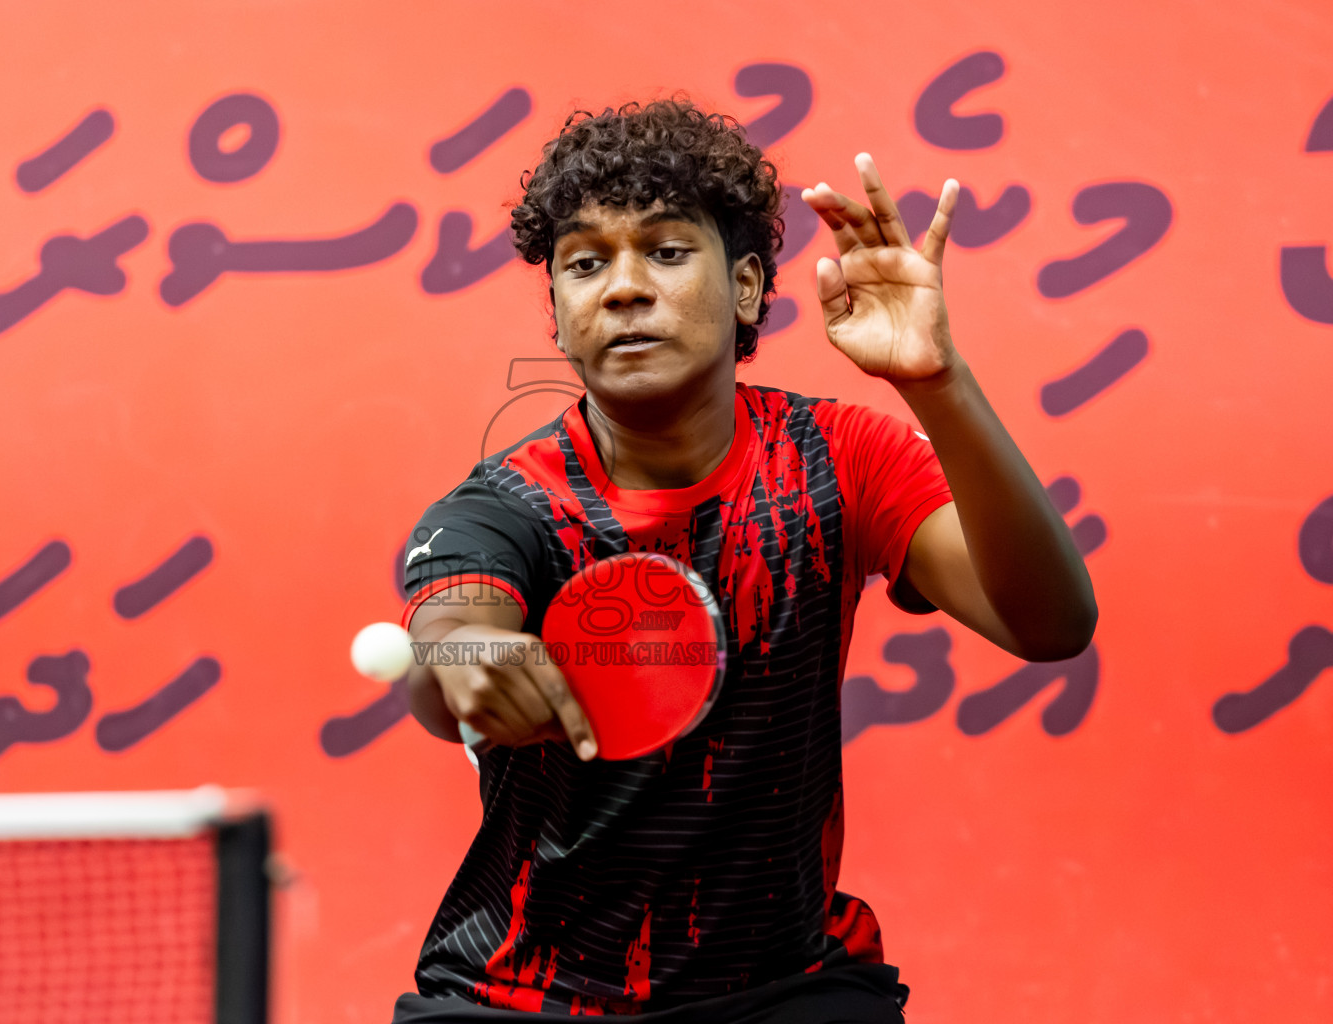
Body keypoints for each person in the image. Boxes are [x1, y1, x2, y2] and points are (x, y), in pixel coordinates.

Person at [392, 99, 1096, 1022]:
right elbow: (445, 640)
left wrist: (938, 383)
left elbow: (1049, 624)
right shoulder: (504, 506)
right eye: (585, 263)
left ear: (751, 287)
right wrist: (466, 657)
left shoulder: (841, 458)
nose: (623, 288)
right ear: (559, 314)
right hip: (520, 998)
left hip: (782, 989)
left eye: (666, 251)